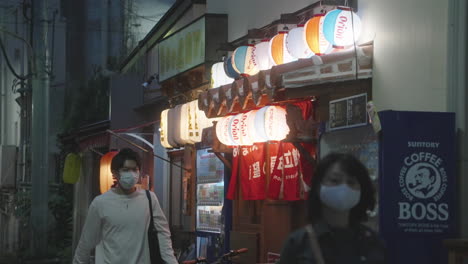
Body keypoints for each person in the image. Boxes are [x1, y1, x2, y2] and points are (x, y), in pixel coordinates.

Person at [73, 148, 178, 264]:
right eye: (126, 170)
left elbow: (163, 234)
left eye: (135, 169)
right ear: (115, 173)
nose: (132, 174)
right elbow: (86, 242)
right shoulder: (100, 203)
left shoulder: (149, 199)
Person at [278, 152, 386, 264]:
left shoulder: (373, 242)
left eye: (351, 182)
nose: (344, 187)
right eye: (335, 180)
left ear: (361, 190)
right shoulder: (299, 243)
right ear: (318, 186)